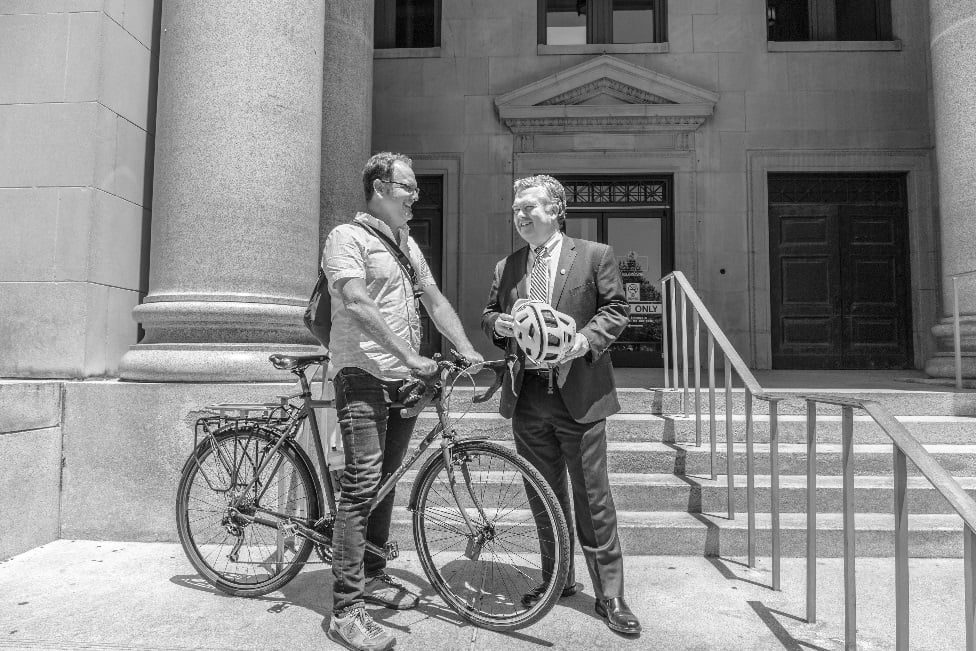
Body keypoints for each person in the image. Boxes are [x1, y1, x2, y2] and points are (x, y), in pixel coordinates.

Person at [324, 152, 484, 651]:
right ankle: (346, 608)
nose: (416, 195)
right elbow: (355, 301)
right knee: (362, 481)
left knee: (388, 482)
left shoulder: (407, 244)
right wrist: (410, 356)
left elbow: (433, 300)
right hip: (363, 373)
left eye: (416, 188)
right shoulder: (345, 238)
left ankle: (372, 574)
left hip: (402, 381)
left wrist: (466, 349)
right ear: (378, 187)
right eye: (407, 187)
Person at [481, 174, 641, 635]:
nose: (521, 215)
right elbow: (490, 313)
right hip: (528, 397)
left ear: (557, 211)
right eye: (516, 209)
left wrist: (584, 341)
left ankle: (610, 595)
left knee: (593, 499)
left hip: (580, 396)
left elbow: (616, 310)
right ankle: (558, 579)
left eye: (530, 207)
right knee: (543, 497)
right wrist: (501, 326)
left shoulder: (595, 255)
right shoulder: (507, 266)